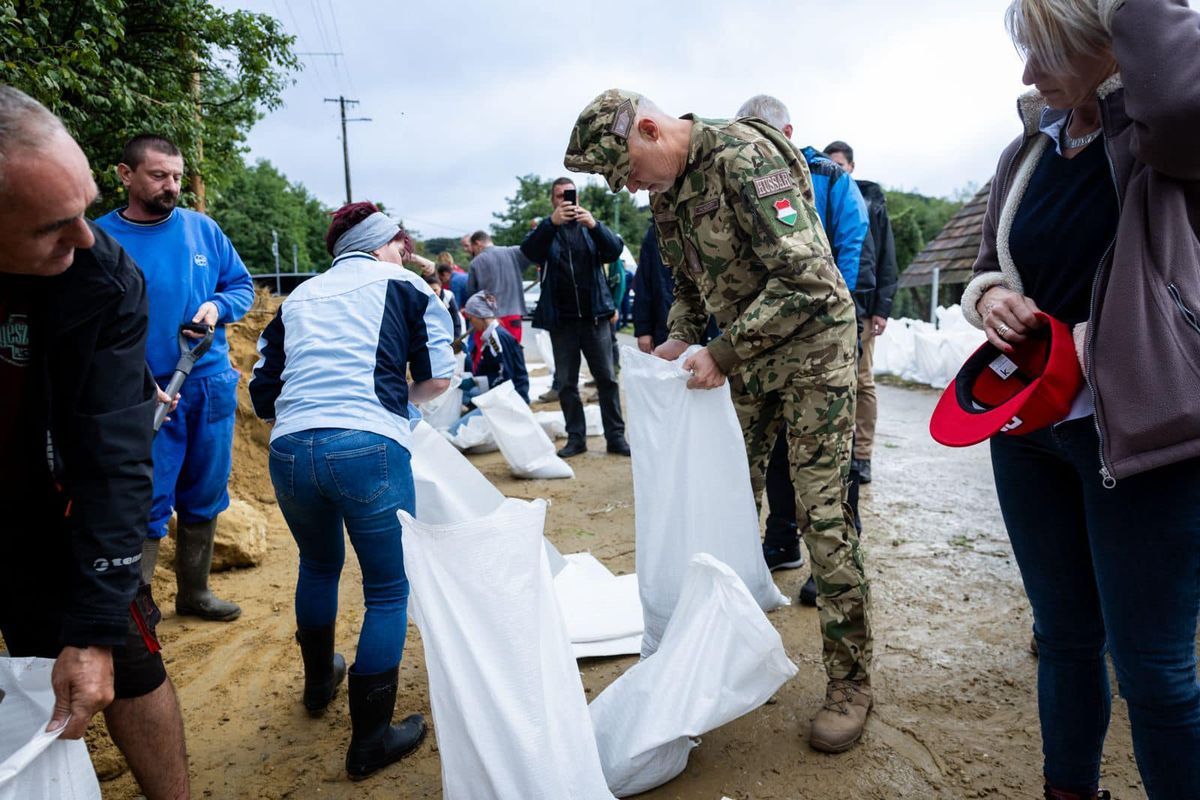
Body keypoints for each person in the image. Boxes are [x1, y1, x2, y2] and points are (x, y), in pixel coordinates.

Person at [565, 89, 873, 752]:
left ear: (649, 129)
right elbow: (685, 283)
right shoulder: (668, 191)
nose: (631, 185)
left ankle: (850, 683)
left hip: (813, 351)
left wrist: (723, 351)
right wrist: (680, 337)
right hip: (745, 359)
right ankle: (712, 660)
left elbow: (812, 281)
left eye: (628, 169)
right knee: (723, 506)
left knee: (822, 519)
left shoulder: (747, 155)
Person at [959, 2, 1200, 797]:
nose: (1027, 77)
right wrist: (989, 295)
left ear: (1107, 45)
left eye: (1045, 54)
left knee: (1155, 672)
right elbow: (993, 257)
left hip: (1140, 439)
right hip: (1030, 429)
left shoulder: (1162, 141)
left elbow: (1175, 98)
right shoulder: (1028, 150)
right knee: (1062, 638)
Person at [0, 85, 190, 799]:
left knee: (120, 653)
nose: (84, 238)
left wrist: (99, 622)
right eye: (52, 226)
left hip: (55, 500)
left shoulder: (102, 276)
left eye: (84, 210)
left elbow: (115, 454)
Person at [249, 201, 455, 781]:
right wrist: (396, 405)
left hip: (290, 449)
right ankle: (369, 741)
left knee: (317, 565)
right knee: (387, 590)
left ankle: (319, 686)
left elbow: (263, 390)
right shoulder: (408, 286)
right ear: (382, 243)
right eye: (401, 244)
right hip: (368, 446)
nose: (407, 253)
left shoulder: (301, 297)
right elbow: (439, 375)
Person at [96, 134, 254, 622]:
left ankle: (195, 593)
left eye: (178, 176)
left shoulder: (203, 230)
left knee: (205, 493)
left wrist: (217, 306)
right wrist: (133, 380)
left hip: (208, 383)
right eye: (159, 175)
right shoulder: (100, 239)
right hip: (144, 392)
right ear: (126, 175)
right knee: (147, 498)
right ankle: (137, 602)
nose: (172, 186)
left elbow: (241, 286)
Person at [735, 95, 870, 601]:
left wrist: (835, 317)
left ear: (786, 132)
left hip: (823, 333)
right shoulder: (744, 178)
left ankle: (827, 567)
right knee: (773, 445)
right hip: (770, 334)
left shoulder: (829, 178)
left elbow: (851, 245)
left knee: (830, 455)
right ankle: (780, 539)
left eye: (762, 135)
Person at [520, 177, 631, 458]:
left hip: (595, 319)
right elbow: (529, 252)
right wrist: (550, 223)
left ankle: (616, 437)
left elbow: (614, 251)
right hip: (563, 322)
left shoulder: (589, 228)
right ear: (552, 200)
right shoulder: (548, 232)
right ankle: (576, 438)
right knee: (567, 384)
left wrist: (594, 224)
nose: (565, 200)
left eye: (569, 195)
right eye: (559, 196)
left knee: (607, 379)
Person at [824, 140, 899, 488]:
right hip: (828, 304)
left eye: (840, 164)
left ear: (852, 166)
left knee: (862, 380)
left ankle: (863, 454)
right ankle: (833, 452)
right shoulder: (821, 196)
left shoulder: (873, 204)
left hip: (864, 307)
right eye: (829, 164)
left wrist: (881, 308)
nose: (835, 169)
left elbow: (886, 260)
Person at [449, 291, 531, 434]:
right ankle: (476, 411)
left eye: (471, 318)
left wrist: (475, 381)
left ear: (479, 316)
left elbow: (506, 378)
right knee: (458, 390)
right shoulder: (492, 335)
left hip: (508, 401)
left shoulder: (496, 338)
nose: (472, 324)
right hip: (500, 393)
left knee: (455, 432)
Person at [464, 230, 531, 341]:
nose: (472, 251)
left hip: (488, 319)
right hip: (514, 315)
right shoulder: (515, 252)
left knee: (493, 354)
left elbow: (472, 294)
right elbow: (535, 256)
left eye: (472, 247)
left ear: (478, 243)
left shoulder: (476, 262)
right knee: (514, 352)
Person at [427, 267, 463, 341]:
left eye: (435, 290)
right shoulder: (424, 298)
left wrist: (456, 338)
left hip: (451, 326)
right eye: (430, 290)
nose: (433, 293)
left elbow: (455, 318)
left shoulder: (448, 296)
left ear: (440, 287)